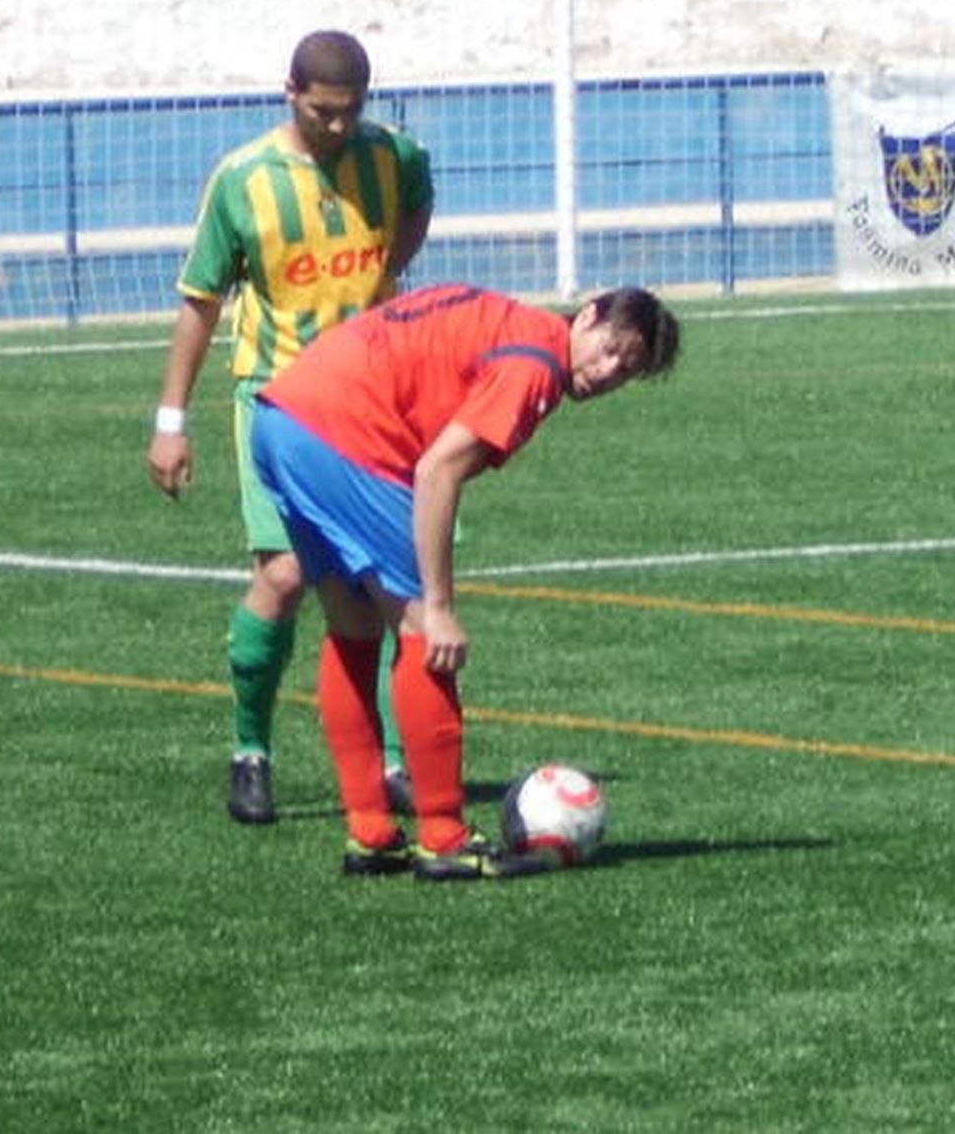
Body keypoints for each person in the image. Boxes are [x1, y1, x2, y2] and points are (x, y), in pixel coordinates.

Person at [251, 282, 681, 879]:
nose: (608, 373)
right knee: (428, 635)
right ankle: (444, 835)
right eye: (609, 349)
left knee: (352, 626)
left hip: (282, 419)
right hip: (343, 432)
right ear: (585, 316)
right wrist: (441, 604)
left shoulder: (514, 326)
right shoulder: (534, 361)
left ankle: (372, 834)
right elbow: (438, 470)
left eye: (626, 370)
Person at [147, 30, 434, 824]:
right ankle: (251, 751)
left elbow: (416, 206)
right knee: (283, 577)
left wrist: (388, 272)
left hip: (373, 403)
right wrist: (171, 421)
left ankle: (398, 764)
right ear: (290, 91)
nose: (338, 127)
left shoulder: (397, 156)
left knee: (386, 581)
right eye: (322, 111)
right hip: (276, 405)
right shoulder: (243, 180)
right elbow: (201, 301)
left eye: (350, 113)